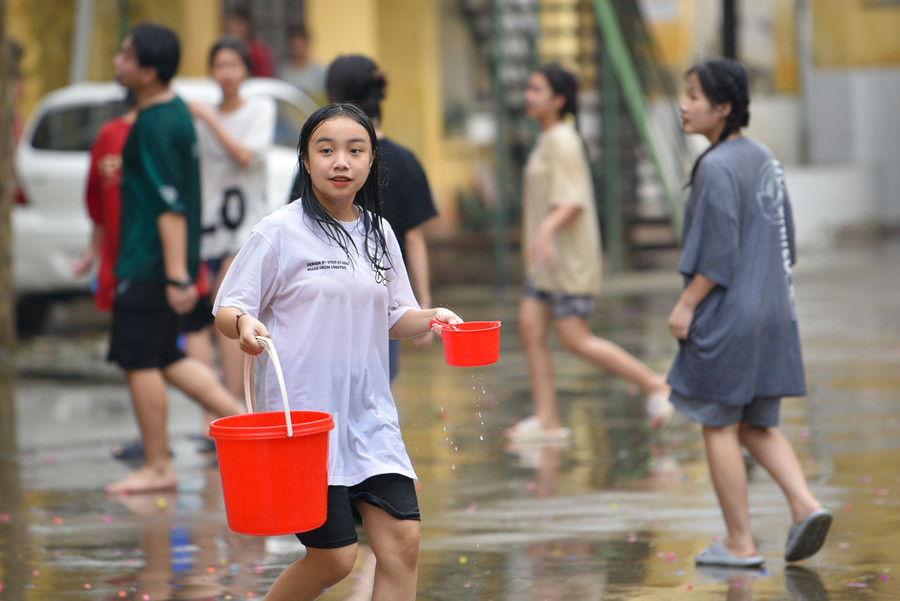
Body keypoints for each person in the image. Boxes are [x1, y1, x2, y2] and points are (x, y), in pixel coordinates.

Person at [214, 103, 462, 600]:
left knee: (403, 543)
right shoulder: (278, 232)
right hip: (306, 424)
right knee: (334, 559)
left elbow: (396, 316)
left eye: (355, 150)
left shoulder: (379, 233)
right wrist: (244, 324)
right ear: (306, 161)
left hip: (370, 417)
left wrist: (434, 317)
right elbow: (226, 306)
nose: (340, 161)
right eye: (325, 150)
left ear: (372, 160)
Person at [666, 58, 832, 567]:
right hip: (774, 310)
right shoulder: (765, 158)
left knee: (718, 424)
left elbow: (718, 257)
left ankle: (739, 543)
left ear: (724, 107)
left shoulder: (716, 166)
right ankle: (806, 506)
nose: (683, 104)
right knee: (756, 422)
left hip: (728, 316)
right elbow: (787, 242)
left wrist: (686, 305)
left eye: (694, 96)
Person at [106, 22, 242, 495]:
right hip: (158, 265)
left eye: (126, 56)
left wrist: (177, 277)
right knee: (167, 358)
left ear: (148, 70)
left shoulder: (156, 123)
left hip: (149, 267)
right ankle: (245, 421)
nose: (118, 62)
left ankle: (158, 464)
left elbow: (170, 208)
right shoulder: (176, 112)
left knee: (139, 360)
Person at [506, 63, 672, 442]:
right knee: (530, 329)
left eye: (537, 90)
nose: (528, 96)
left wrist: (546, 230)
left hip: (565, 260)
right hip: (544, 262)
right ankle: (547, 419)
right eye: (529, 88)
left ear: (558, 100)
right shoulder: (549, 138)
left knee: (575, 338)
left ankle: (653, 383)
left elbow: (574, 200)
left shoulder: (563, 141)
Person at [324, 54, 439, 382]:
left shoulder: (323, 164)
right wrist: (422, 306)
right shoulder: (405, 161)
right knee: (376, 398)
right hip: (381, 304)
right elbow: (414, 238)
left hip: (330, 304)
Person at [185, 36, 276, 407]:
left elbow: (243, 156)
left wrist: (209, 118)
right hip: (206, 230)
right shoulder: (199, 117)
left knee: (230, 312)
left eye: (233, 65)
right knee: (200, 320)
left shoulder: (259, 110)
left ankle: (234, 406)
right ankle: (220, 409)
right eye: (219, 65)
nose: (225, 73)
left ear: (246, 71)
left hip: (243, 230)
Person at [72, 91, 137, 312]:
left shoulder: (164, 133)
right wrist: (93, 251)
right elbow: (98, 202)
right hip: (117, 260)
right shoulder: (109, 135)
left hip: (154, 263)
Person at [279, 23, 326, 103]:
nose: (297, 50)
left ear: (307, 44)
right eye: (294, 46)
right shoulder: (283, 71)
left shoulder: (319, 71)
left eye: (300, 45)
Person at [223, 7, 274, 78]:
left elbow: (263, 79)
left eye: (237, 25)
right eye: (229, 26)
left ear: (246, 26)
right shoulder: (226, 50)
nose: (232, 29)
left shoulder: (259, 52)